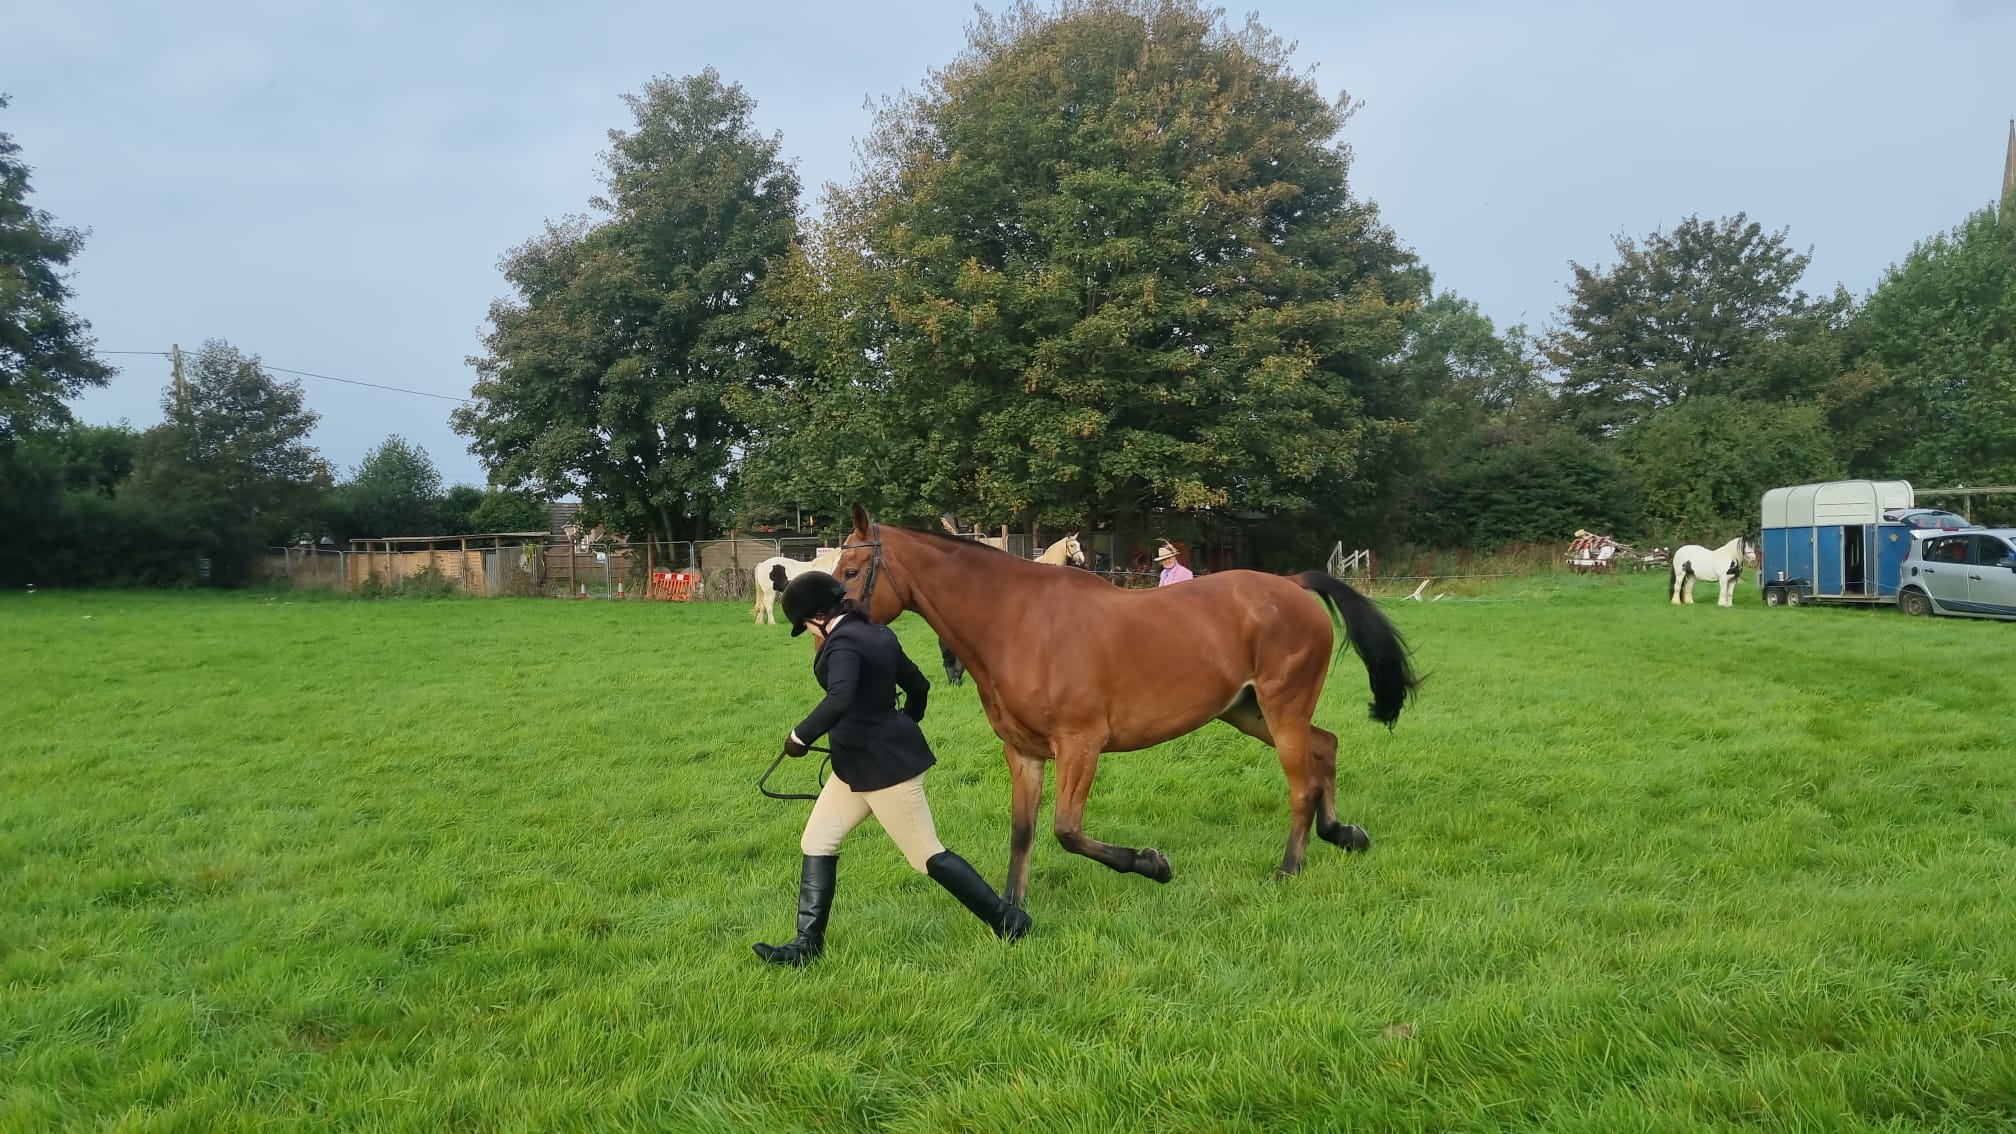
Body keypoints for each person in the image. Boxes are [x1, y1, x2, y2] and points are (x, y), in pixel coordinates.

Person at [752, 570, 1031, 966]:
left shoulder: (843, 643)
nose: (810, 633)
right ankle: (806, 946)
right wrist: (904, 720)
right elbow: (919, 686)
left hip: (883, 768)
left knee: (925, 855)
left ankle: (1008, 920)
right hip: (855, 765)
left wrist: (800, 736)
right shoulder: (878, 633)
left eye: (806, 626)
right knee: (817, 841)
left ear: (816, 616)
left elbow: (841, 698)